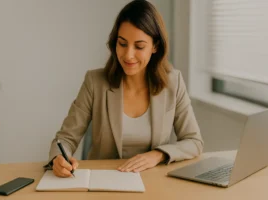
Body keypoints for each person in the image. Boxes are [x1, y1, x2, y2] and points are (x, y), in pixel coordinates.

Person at [46, 0, 204, 178]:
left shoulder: (173, 83)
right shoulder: (94, 82)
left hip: (154, 184)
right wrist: (58, 158)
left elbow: (194, 141)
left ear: (155, 46)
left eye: (139, 46)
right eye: (122, 44)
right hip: (103, 181)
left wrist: (157, 155)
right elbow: (65, 139)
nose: (128, 55)